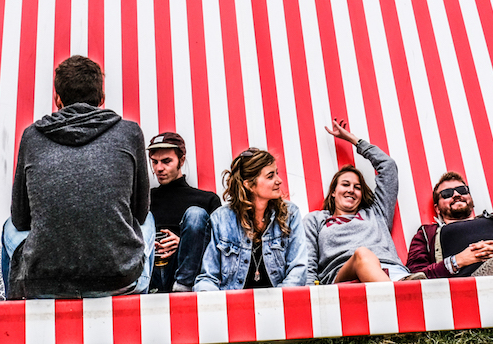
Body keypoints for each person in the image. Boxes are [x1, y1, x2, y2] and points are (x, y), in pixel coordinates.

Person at [5, 55, 151, 299]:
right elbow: (140, 212)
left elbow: (20, 219)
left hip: (46, 281)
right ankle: (137, 307)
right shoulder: (130, 133)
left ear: (58, 99)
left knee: (7, 227)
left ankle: (14, 309)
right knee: (150, 221)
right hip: (117, 278)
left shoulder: (32, 136)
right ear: (101, 99)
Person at [305, 119, 421, 284]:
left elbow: (388, 167)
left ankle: (399, 292)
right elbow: (308, 261)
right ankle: (399, 297)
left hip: (393, 274)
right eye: (345, 184)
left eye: (357, 187)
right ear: (333, 192)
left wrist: (354, 140)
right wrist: (310, 292)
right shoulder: (316, 220)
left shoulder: (376, 213)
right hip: (345, 280)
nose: (351, 190)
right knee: (363, 254)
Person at [195, 148, 307, 291]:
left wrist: (280, 300)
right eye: (270, 176)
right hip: (234, 302)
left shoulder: (290, 214)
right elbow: (208, 277)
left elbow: (298, 270)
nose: (279, 181)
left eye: (277, 173)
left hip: (280, 300)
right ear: (248, 185)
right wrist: (212, 297)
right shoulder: (221, 219)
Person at [146, 132, 221, 293]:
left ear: (181, 160)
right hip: (151, 273)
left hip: (189, 278)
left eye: (166, 161)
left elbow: (219, 248)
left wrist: (184, 244)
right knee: (143, 219)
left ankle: (183, 285)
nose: (159, 168)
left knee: (196, 215)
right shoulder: (146, 199)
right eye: (154, 162)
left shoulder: (207, 200)